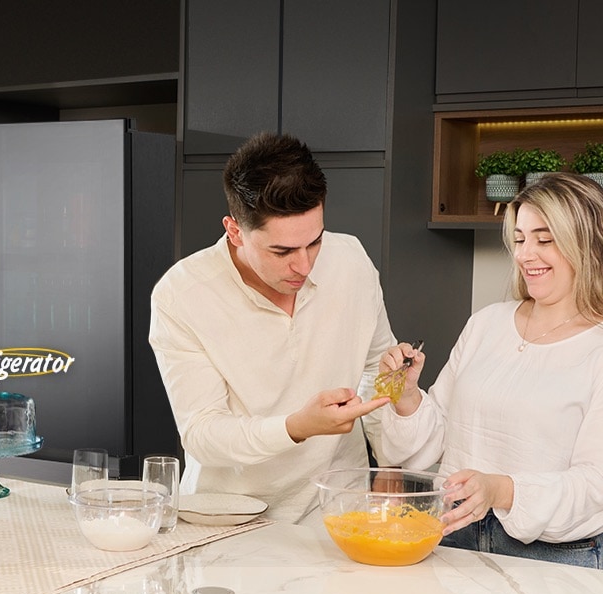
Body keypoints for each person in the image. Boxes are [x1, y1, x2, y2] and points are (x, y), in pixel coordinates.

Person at [149, 131, 395, 522]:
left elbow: (378, 371)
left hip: (336, 509)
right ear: (234, 231)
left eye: (314, 242)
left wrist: (390, 467)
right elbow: (202, 433)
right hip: (227, 518)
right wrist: (296, 427)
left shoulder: (351, 260)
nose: (304, 265)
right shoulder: (182, 295)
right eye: (281, 251)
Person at [376, 171, 603, 568]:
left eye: (544, 240)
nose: (524, 255)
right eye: (519, 239)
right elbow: (432, 442)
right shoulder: (486, 324)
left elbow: (594, 484)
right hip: (452, 534)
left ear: (586, 244)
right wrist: (408, 395)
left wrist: (501, 491)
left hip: (556, 557)